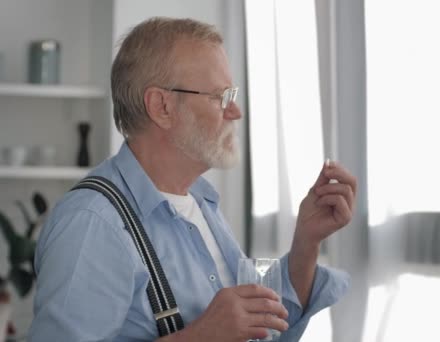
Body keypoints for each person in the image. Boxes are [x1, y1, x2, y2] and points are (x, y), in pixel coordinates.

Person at [29, 17, 356, 342]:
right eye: (221, 96)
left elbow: (262, 326)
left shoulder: (201, 202)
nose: (236, 112)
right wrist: (200, 336)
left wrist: (306, 243)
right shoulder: (92, 223)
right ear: (162, 106)